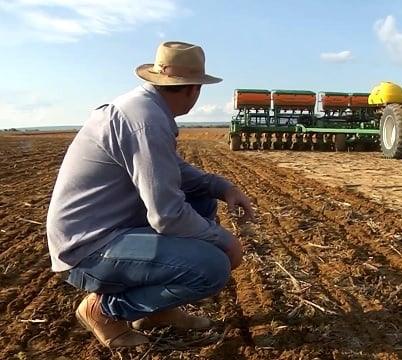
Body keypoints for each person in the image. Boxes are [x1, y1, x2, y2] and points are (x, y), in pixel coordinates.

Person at [45, 40, 256, 348]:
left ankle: (158, 310)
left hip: (102, 230)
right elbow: (167, 216)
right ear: (193, 89)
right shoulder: (146, 122)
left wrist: (222, 187)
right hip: (86, 249)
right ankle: (104, 310)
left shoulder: (143, 108)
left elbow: (170, 169)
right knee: (213, 266)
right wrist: (225, 240)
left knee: (202, 200)